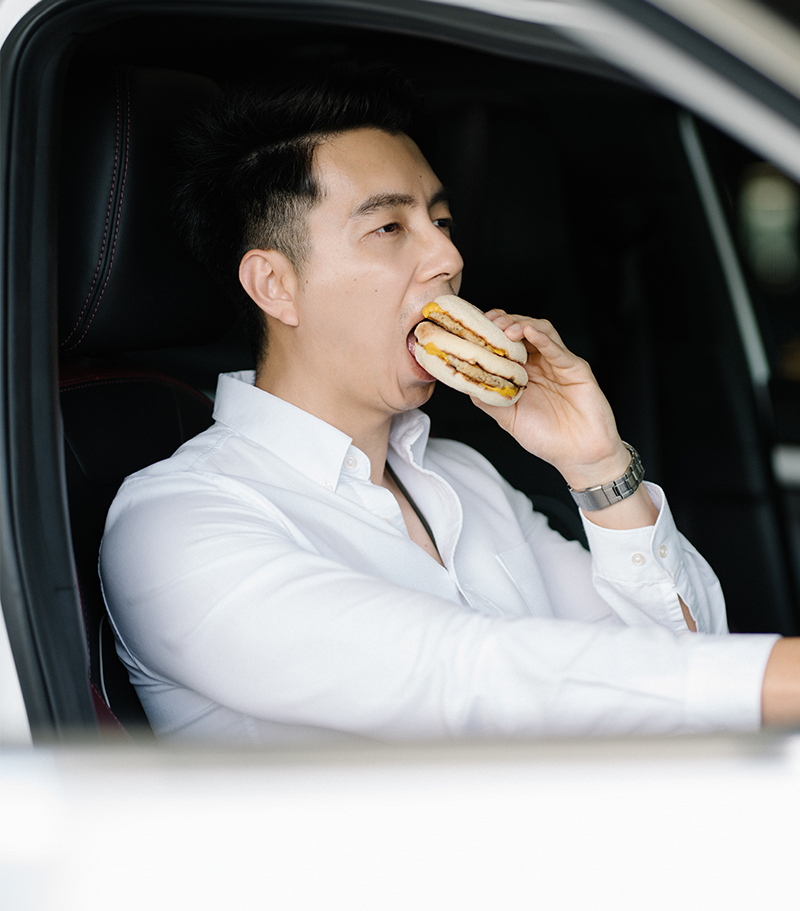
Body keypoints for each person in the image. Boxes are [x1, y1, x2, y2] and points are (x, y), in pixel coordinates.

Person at [100, 65, 800, 745]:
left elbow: (685, 665)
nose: (448, 256)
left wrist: (597, 466)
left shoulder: (466, 477)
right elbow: (465, 679)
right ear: (275, 286)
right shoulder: (178, 521)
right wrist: (775, 677)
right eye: (390, 228)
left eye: (441, 218)